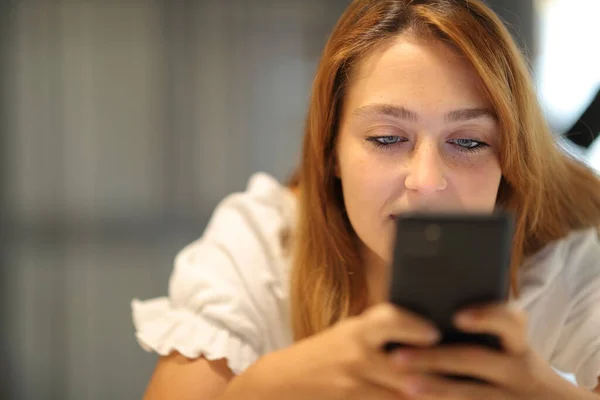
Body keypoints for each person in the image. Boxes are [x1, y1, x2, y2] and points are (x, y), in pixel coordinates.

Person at [132, 0, 600, 399]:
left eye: (469, 142)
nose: (426, 181)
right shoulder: (264, 243)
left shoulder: (566, 254)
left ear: (509, 159)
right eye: (386, 138)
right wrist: (277, 382)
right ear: (330, 150)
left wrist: (542, 390)